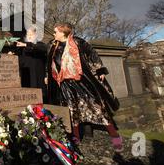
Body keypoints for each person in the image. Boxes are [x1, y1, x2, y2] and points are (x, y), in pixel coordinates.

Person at [46, 22, 123, 152]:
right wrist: (47, 75)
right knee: (71, 109)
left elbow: (92, 53)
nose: (54, 34)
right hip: (64, 83)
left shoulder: (78, 42)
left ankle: (115, 136)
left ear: (63, 32)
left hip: (82, 81)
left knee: (97, 107)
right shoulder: (53, 45)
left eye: (56, 32)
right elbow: (49, 62)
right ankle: (76, 137)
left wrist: (100, 70)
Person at [15, 25, 48, 101]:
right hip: (26, 75)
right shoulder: (22, 47)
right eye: (27, 34)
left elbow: (41, 48)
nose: (29, 36)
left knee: (39, 95)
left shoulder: (40, 45)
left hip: (37, 75)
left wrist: (26, 45)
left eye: (31, 34)